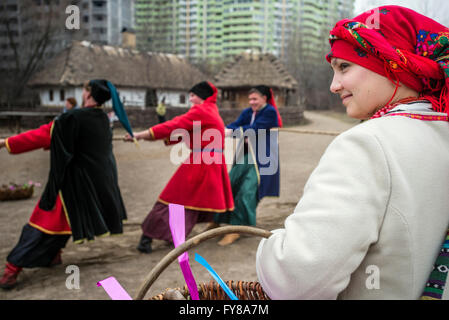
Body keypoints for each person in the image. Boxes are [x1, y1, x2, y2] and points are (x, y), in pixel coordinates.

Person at [256, 5, 449, 300]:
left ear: (392, 63)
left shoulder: (367, 144)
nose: (334, 86)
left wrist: (274, 246)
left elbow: (295, 281)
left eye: (344, 67)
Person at [0, 79, 127, 289]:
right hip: (96, 184)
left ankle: (11, 270)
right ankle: (53, 255)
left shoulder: (73, 118)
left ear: (87, 94)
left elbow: (42, 135)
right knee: (68, 221)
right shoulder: (103, 119)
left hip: (73, 185)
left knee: (41, 224)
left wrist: (6, 142)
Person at [124, 81, 234, 253]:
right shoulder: (210, 110)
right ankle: (173, 235)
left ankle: (149, 237)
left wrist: (140, 134)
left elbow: (174, 126)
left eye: (193, 95)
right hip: (210, 162)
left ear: (202, 97)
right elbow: (182, 132)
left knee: (175, 198)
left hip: (202, 163)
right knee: (188, 202)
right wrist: (149, 135)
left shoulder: (201, 110)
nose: (190, 99)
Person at [210, 85, 282, 246]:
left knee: (246, 192)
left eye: (255, 99)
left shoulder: (270, 112)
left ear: (264, 98)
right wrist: (229, 130)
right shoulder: (248, 112)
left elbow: (254, 128)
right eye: (250, 99)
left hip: (262, 159)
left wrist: (234, 131)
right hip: (246, 155)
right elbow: (237, 124)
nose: (252, 102)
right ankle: (217, 220)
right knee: (229, 184)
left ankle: (236, 229)